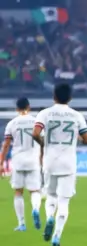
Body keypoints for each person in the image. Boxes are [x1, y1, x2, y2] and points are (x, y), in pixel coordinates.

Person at [32, 84, 87, 246]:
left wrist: (43, 143)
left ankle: (50, 216)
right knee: (64, 201)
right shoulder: (76, 115)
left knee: (50, 196)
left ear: (54, 96)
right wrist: (77, 138)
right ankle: (57, 237)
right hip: (68, 163)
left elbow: (35, 133)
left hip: (50, 161)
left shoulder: (44, 113)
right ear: (70, 98)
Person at [0, 97, 43, 231]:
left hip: (18, 160)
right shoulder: (37, 122)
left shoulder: (12, 123)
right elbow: (43, 143)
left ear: (17, 108)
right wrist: (42, 159)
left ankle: (22, 224)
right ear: (29, 107)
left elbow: (6, 145)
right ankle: (35, 209)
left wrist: (1, 163)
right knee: (34, 190)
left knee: (18, 192)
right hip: (33, 159)